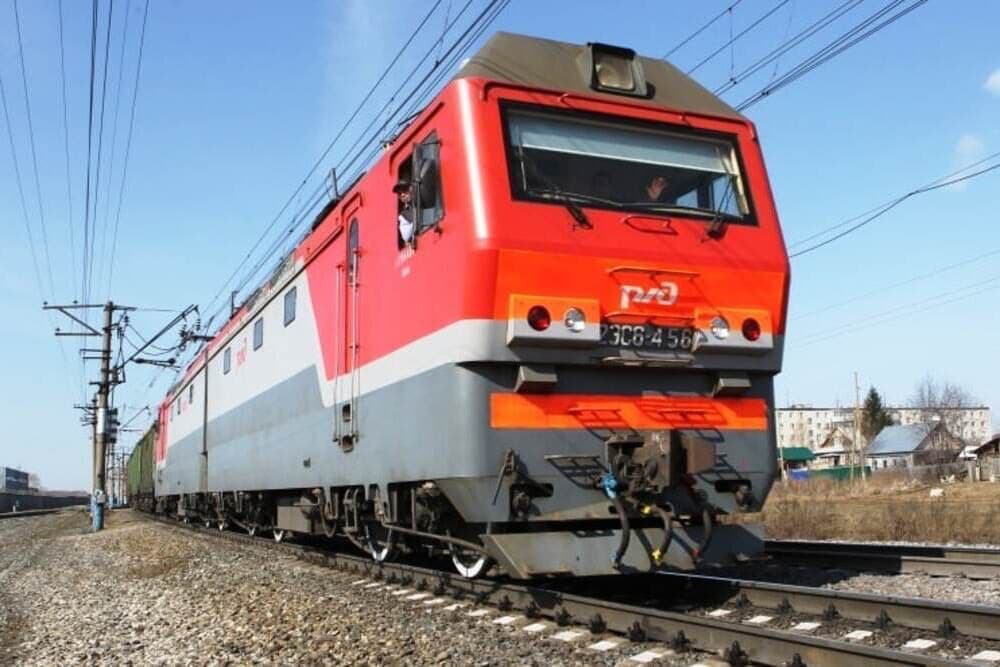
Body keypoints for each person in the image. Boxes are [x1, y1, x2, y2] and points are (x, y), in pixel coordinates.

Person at [393, 179, 415, 245]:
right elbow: (406, 235)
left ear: (411, 188)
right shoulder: (403, 215)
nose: (402, 195)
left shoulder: (423, 200)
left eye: (404, 190)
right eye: (399, 193)